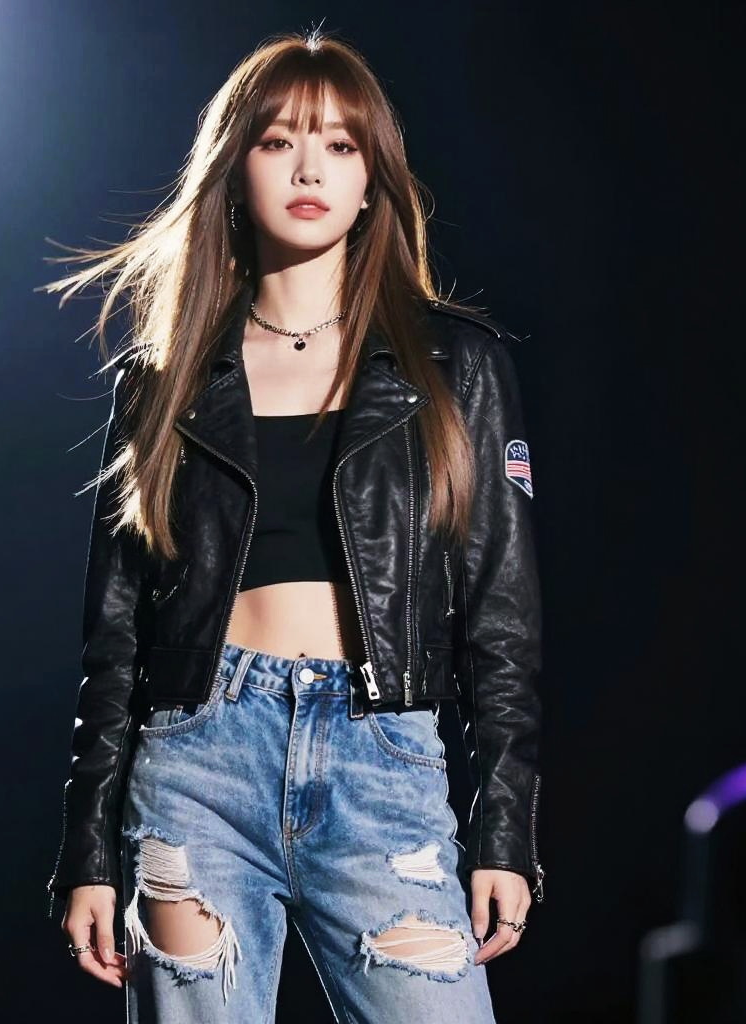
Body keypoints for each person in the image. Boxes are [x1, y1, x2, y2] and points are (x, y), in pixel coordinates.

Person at [40, 26, 544, 1024]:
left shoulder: (458, 365)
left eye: (340, 144)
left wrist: (505, 827)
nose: (310, 168)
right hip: (199, 764)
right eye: (278, 141)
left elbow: (503, 614)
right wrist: (88, 848)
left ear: (372, 179)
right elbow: (116, 634)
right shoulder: (163, 377)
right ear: (235, 170)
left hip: (384, 762)